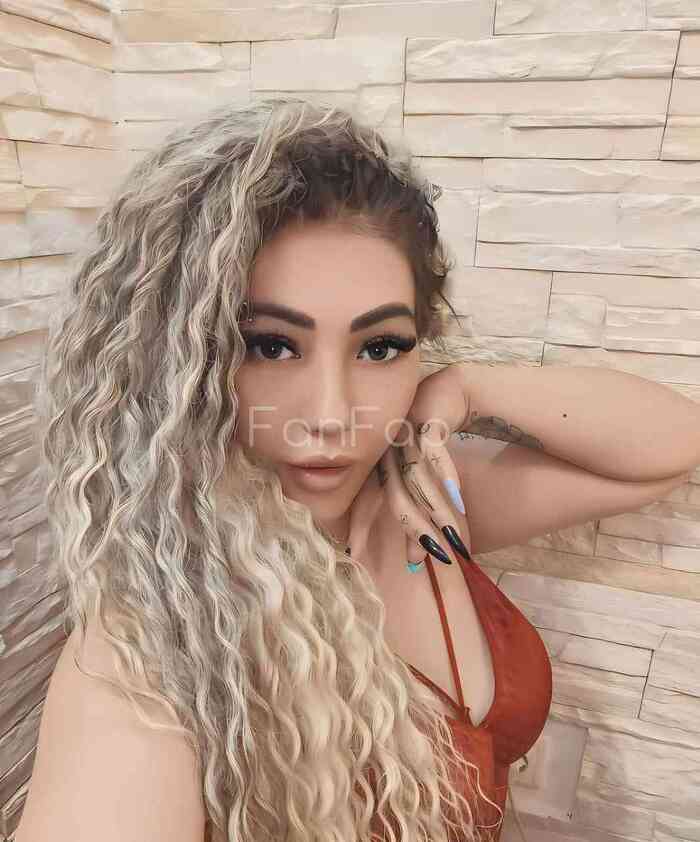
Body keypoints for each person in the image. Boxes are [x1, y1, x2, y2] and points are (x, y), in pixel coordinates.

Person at [15, 97, 545, 842]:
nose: (330, 415)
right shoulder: (152, 652)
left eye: (381, 347)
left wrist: (467, 387)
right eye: (269, 345)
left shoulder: (419, 496)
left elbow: (666, 449)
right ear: (180, 370)